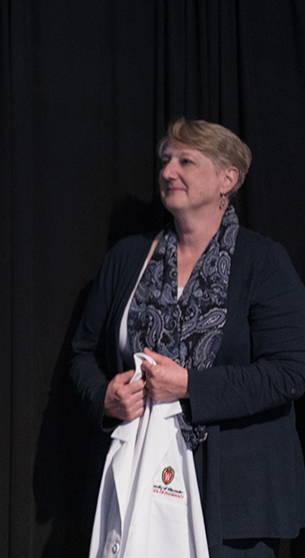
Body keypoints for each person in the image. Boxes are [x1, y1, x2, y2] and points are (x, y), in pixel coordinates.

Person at [69, 119, 305, 557]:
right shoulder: (127, 258)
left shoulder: (264, 262)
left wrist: (191, 387)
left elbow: (288, 374)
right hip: (137, 478)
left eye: (185, 161)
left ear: (226, 178)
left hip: (233, 498)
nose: (168, 172)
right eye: (165, 161)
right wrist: (104, 397)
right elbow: (82, 353)